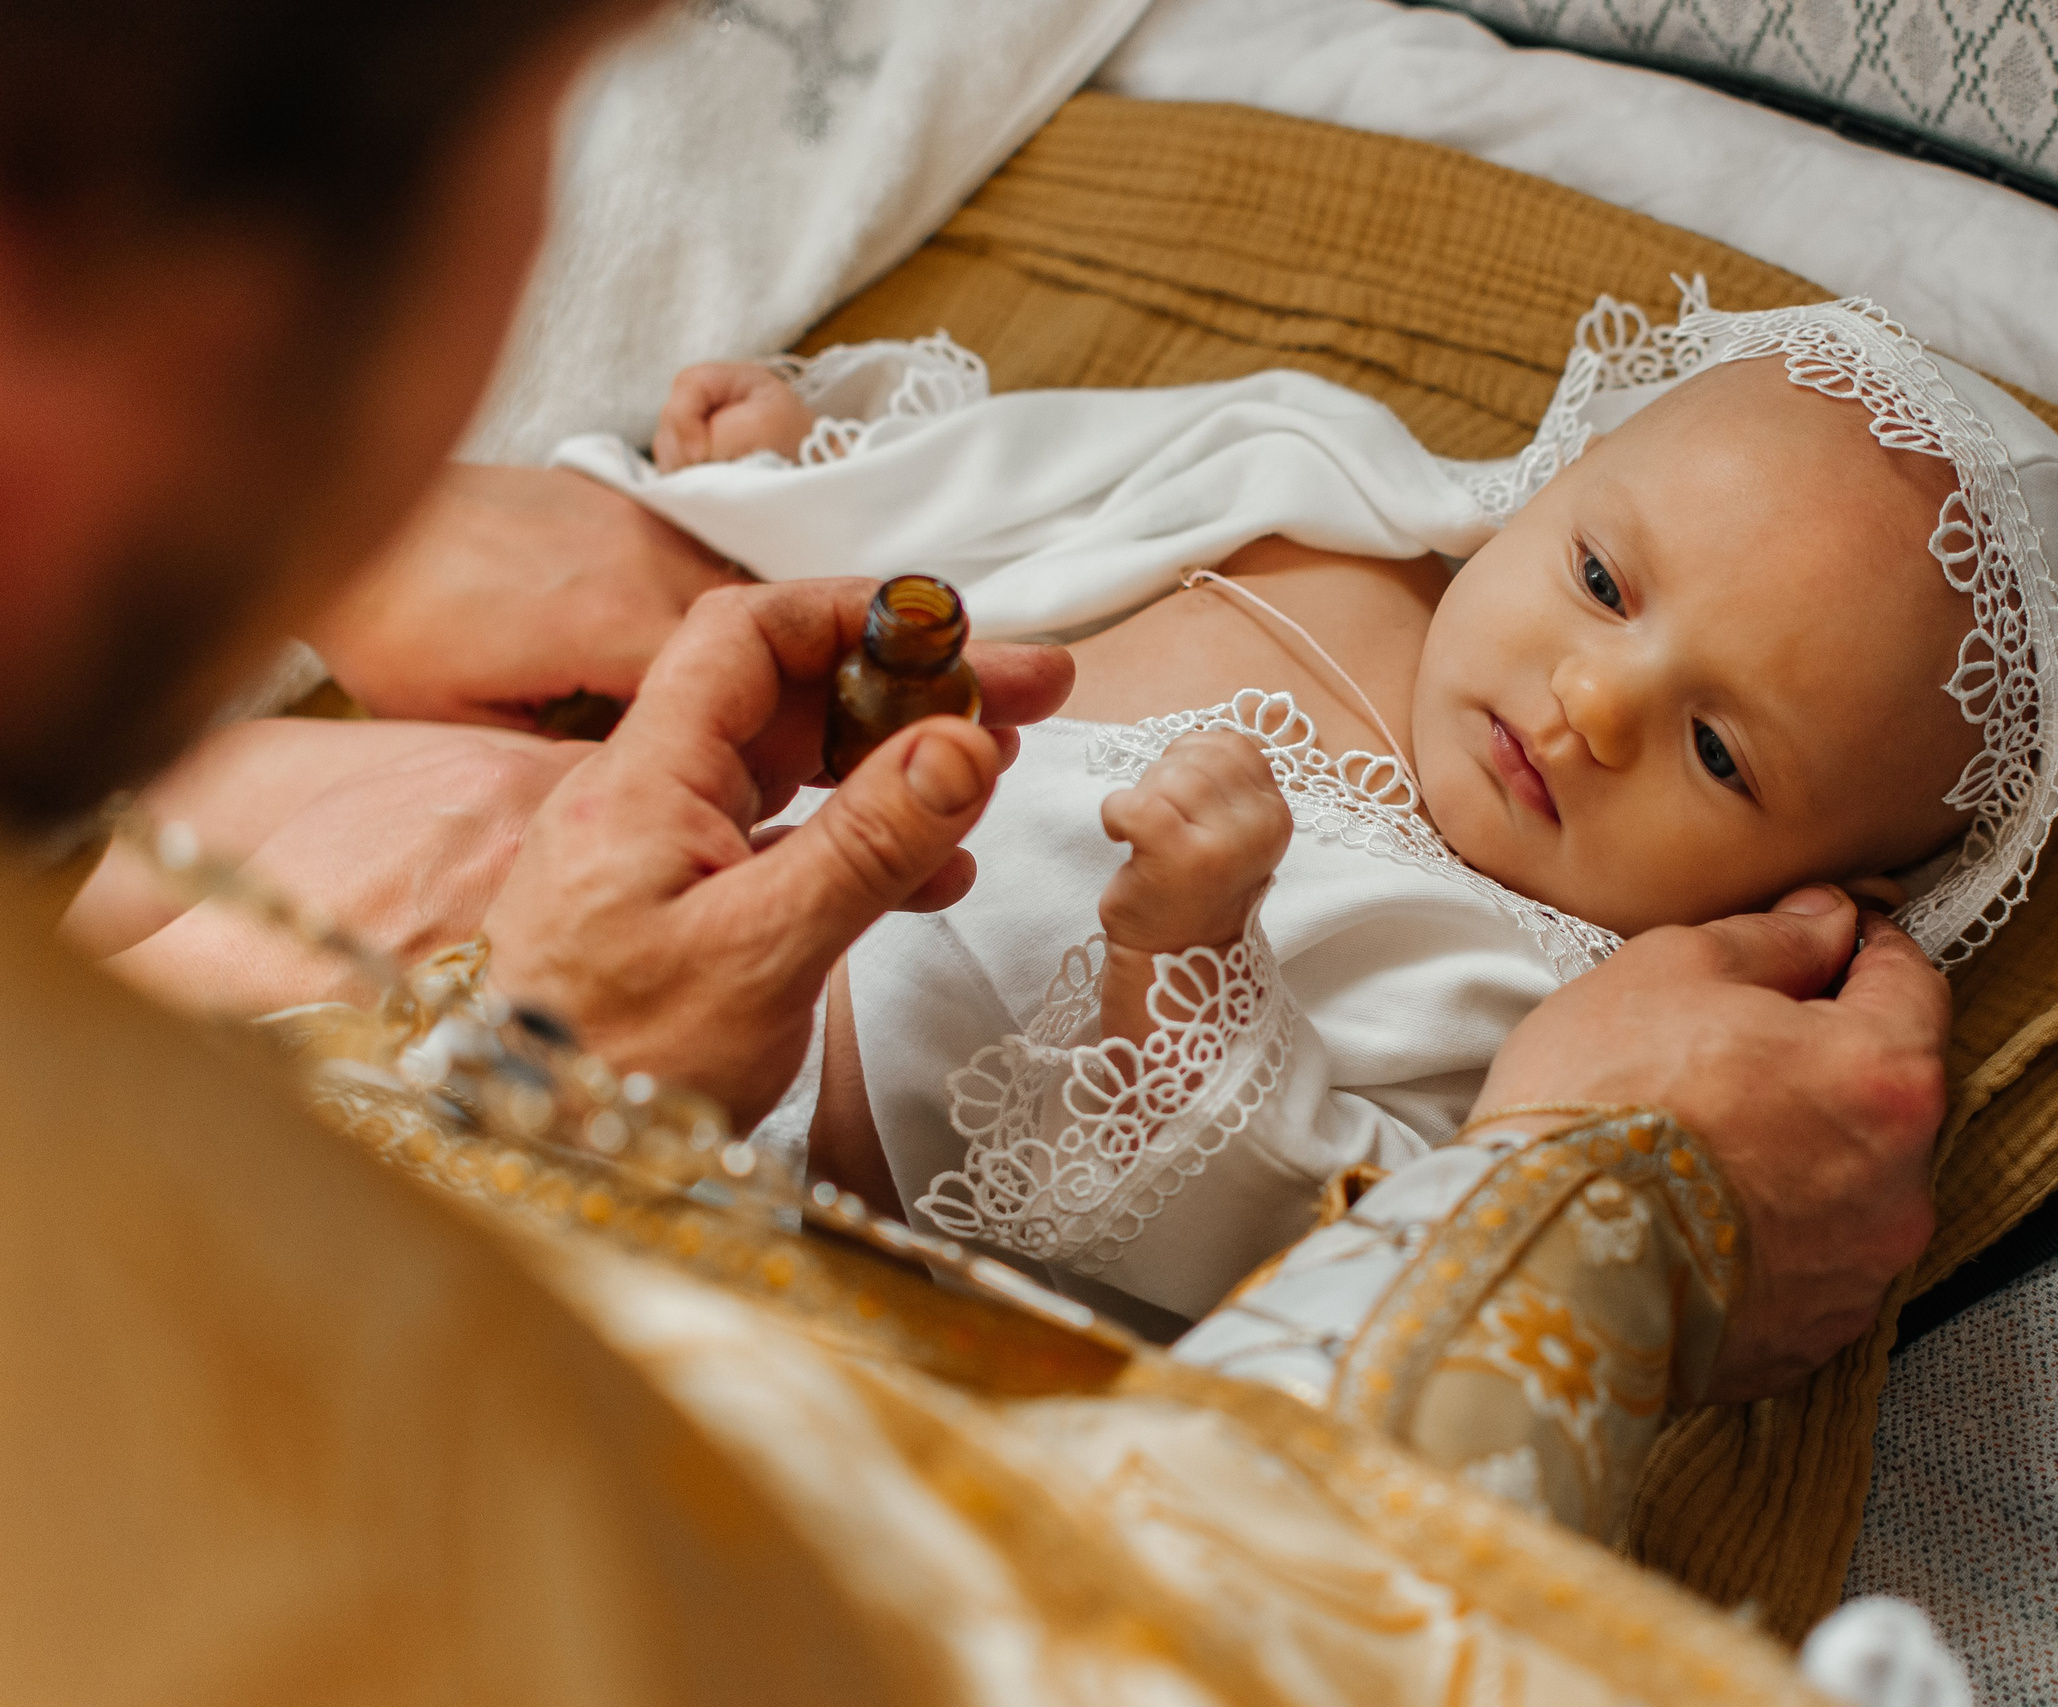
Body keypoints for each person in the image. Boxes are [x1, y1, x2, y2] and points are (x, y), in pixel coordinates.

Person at [0, 0, 1958, 1696]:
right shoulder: (1308, 504)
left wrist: (559, 1061)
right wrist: (1595, 1218)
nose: (1596, 706)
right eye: (519, 165)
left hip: (742, 1078)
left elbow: (1276, 1187)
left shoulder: (1523, 972)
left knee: (346, 817)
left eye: (1720, 750)